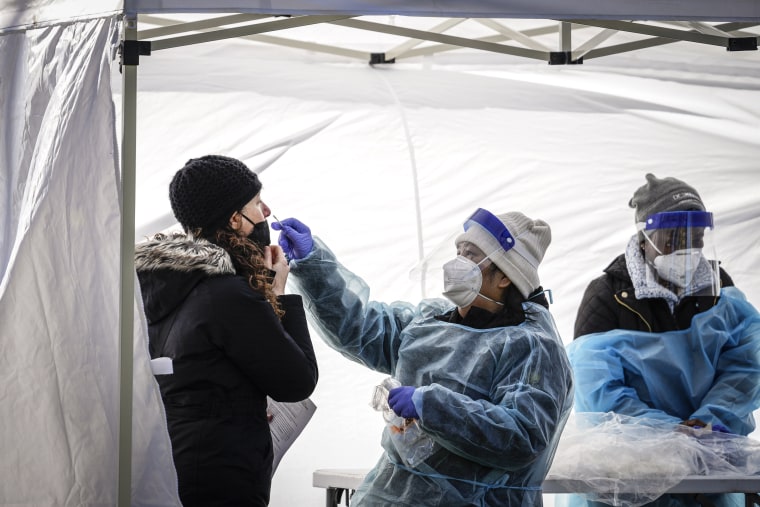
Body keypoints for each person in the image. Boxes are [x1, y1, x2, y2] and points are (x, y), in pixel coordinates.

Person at [273, 208, 574, 506]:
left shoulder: (532, 347)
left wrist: (431, 406)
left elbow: (521, 436)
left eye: (471, 255)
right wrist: (313, 265)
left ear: (506, 277)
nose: (457, 262)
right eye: (458, 250)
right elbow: (359, 328)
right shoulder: (428, 324)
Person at [134, 155, 318, 507]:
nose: (266, 211)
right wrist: (280, 295)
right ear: (235, 219)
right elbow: (297, 382)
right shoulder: (227, 294)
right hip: (223, 475)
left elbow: (200, 376)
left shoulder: (161, 286)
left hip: (177, 460)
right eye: (256, 204)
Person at [569, 173, 760, 505]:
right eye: (673, 238)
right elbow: (596, 389)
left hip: (707, 465)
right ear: (645, 237)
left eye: (697, 237)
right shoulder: (607, 296)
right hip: (628, 470)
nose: (686, 248)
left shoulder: (719, 289)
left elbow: (745, 365)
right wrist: (667, 435)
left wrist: (706, 423)